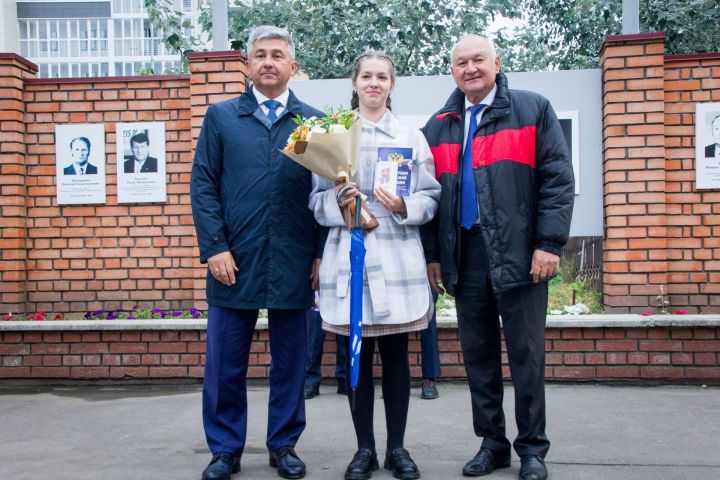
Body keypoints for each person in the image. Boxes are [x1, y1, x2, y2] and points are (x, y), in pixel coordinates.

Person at [420, 35, 574, 480]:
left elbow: (558, 182)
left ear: (497, 63)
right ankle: (492, 443)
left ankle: (532, 449)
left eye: (478, 60)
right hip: (465, 257)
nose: (470, 69)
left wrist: (548, 243)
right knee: (478, 354)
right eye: (461, 62)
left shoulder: (532, 109)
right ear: (452, 70)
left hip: (521, 254)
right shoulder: (440, 124)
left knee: (526, 354)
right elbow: (431, 199)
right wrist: (434, 255)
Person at [190, 25, 324, 480]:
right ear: (247, 65)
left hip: (293, 256)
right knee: (226, 363)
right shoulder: (222, 117)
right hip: (234, 259)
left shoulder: (313, 123)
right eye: (260, 55)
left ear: (293, 67)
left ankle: (283, 444)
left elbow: (326, 193)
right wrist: (214, 248)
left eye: (277, 55)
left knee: (290, 362)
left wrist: (320, 254)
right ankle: (225, 449)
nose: (268, 62)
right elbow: (203, 187)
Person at [309, 50, 440, 480]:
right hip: (349, 252)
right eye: (366, 76)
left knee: (398, 356)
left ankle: (397, 449)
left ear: (392, 85)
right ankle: (363, 449)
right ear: (354, 82)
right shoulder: (333, 133)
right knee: (356, 358)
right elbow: (315, 202)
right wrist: (338, 203)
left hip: (397, 249)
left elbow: (431, 195)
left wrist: (405, 204)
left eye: (382, 77)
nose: (374, 83)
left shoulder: (411, 134)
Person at [304, 301, 348, 399]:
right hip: (319, 292)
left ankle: (344, 380)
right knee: (314, 337)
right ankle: (311, 381)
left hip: (343, 291)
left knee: (344, 335)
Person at [419, 291, 441, 399]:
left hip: (424, 275)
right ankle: (394, 379)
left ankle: (429, 378)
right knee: (396, 319)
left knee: (429, 316)